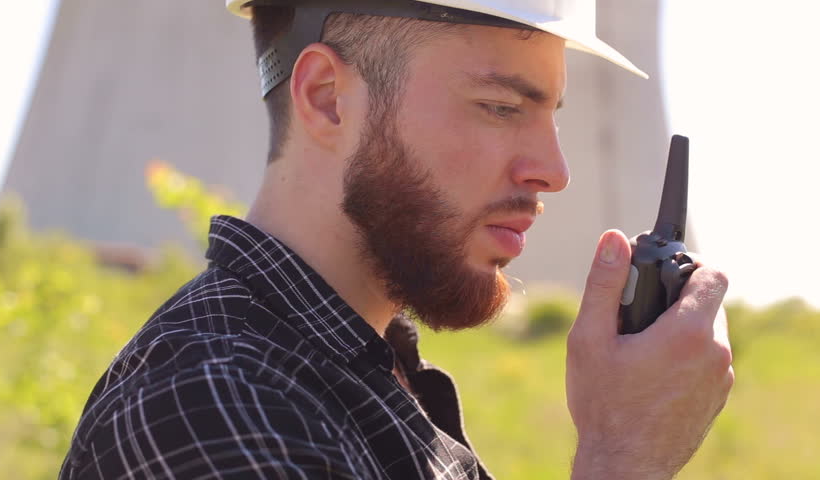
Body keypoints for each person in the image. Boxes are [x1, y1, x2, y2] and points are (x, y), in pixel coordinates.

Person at [59, 0, 734, 478]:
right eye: (501, 108)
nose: (553, 172)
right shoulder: (212, 408)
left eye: (550, 115)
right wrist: (621, 458)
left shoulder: (373, 375)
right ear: (327, 97)